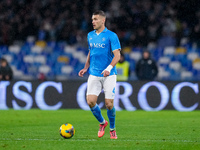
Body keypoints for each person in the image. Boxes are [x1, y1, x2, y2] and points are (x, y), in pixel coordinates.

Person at [78, 10, 121, 139]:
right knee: (90, 102)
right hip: (94, 73)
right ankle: (103, 123)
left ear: (103, 20)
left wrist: (108, 68)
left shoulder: (111, 36)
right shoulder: (90, 35)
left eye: (96, 19)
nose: (93, 21)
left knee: (109, 104)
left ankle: (112, 129)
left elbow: (117, 55)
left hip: (109, 74)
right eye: (92, 19)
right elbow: (91, 52)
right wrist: (86, 67)